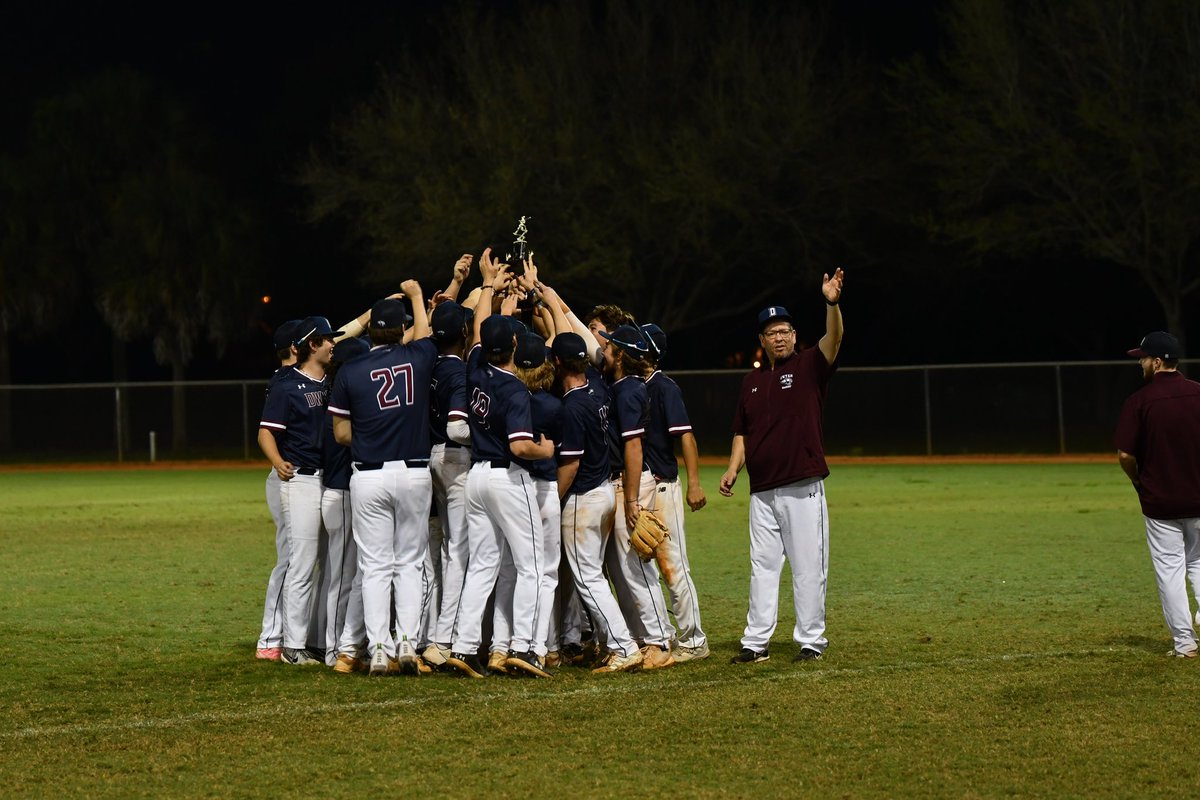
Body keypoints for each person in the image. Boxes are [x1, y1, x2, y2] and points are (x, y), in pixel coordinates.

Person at [720, 269, 844, 664]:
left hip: (802, 486)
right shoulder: (750, 383)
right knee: (763, 568)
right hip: (762, 491)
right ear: (762, 340)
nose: (779, 336)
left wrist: (832, 303)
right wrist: (732, 468)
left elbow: (834, 338)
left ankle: (811, 640)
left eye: (785, 330)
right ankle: (756, 643)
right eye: (772, 332)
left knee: (808, 568)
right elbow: (742, 431)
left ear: (794, 335)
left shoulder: (809, 366)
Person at [447, 251, 556, 679]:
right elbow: (522, 448)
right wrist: (546, 450)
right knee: (530, 564)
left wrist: (491, 289)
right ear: (513, 346)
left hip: (475, 479)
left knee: (483, 564)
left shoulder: (476, 368)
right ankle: (527, 648)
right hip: (508, 479)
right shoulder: (514, 390)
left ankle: (464, 646)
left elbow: (478, 331)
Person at [328, 284, 437, 676]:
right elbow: (425, 333)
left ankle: (377, 648)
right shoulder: (419, 356)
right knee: (409, 563)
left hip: (369, 476)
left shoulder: (351, 370)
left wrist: (371, 434)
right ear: (401, 329)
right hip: (413, 473)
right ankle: (407, 641)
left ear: (372, 330)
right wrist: (417, 294)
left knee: (374, 567)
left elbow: (341, 434)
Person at [552, 332, 644, 673]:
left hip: (584, 499)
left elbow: (571, 464)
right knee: (595, 577)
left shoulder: (572, 405)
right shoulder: (596, 386)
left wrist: (551, 499)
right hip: (605, 491)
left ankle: (623, 646)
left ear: (557, 362)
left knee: (588, 578)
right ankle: (612, 643)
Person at [258, 315, 342, 666]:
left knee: (323, 564)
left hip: (328, 479)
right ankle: (291, 646)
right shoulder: (286, 383)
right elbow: (266, 431)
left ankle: (313, 639)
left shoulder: (333, 380)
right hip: (299, 479)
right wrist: (277, 461)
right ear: (311, 345)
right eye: (327, 339)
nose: (333, 343)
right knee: (301, 563)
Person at [1115, 330, 1200, 658]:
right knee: (1198, 562)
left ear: (1158, 361)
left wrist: (1138, 482)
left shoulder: (1139, 401)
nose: (1141, 364)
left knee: (1170, 570)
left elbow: (1125, 455)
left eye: (1143, 358)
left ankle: (1185, 644)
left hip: (1161, 502)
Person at [596, 323, 676, 669]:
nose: (604, 349)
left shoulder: (628, 389)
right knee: (623, 567)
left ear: (621, 355)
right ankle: (648, 637)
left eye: (611, 346)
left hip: (630, 483)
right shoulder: (622, 384)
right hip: (623, 482)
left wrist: (630, 500)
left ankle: (659, 641)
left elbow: (633, 446)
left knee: (636, 568)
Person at [639, 322, 709, 662]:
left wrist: (694, 483)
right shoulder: (632, 386)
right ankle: (662, 635)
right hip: (641, 488)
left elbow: (686, 437)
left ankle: (694, 639)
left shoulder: (664, 388)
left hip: (664, 487)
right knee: (644, 567)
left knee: (673, 567)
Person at [255, 319, 301, 662]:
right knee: (290, 558)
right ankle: (270, 637)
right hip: (286, 477)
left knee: (304, 560)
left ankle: (297, 633)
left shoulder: (300, 377)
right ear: (298, 348)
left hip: (306, 479)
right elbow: (265, 434)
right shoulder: (285, 381)